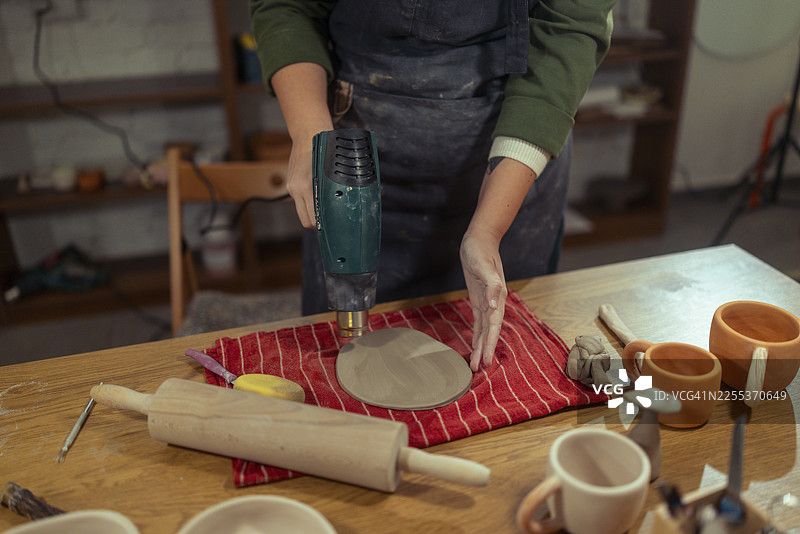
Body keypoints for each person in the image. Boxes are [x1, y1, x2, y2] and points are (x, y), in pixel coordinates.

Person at [250, 0, 615, 371]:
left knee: (509, 366)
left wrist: (487, 230)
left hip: (511, 153)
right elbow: (287, 6)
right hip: (356, 154)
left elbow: (569, 26)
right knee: (337, 373)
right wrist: (310, 133)